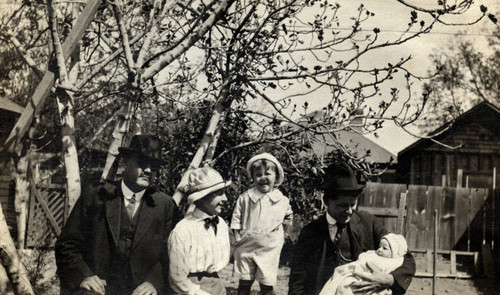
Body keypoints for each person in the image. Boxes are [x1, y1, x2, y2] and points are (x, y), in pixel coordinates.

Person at [56, 135, 178, 295]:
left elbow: (170, 254)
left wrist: (153, 282)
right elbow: (66, 245)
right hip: (99, 289)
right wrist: (85, 276)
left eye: (153, 165)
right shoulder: (96, 195)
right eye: (142, 163)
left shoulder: (165, 205)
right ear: (126, 162)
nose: (148, 170)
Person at [288, 162, 415, 295]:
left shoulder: (369, 224)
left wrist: (389, 280)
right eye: (342, 205)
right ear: (327, 201)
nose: (349, 211)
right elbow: (297, 282)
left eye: (353, 204)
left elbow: (406, 258)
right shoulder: (310, 233)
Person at [231, 153, 293, 295]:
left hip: (269, 247)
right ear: (252, 177)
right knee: (244, 282)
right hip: (247, 244)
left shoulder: (281, 200)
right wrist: (237, 236)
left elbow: (288, 216)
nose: (263, 177)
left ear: (276, 177)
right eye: (258, 174)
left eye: (268, 174)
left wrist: (280, 233)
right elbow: (236, 218)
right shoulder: (246, 197)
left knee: (267, 284)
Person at [168, 166, 232, 295]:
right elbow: (177, 277)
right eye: (219, 194)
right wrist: (196, 292)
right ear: (203, 197)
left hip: (217, 285)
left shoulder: (221, 225)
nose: (225, 199)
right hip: (191, 289)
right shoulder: (184, 230)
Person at [319, 233, 409, 295]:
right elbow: (361, 262)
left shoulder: (393, 262)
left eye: (384, 248)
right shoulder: (373, 254)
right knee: (343, 287)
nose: (379, 250)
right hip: (357, 279)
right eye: (379, 247)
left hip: (375, 287)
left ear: (394, 252)